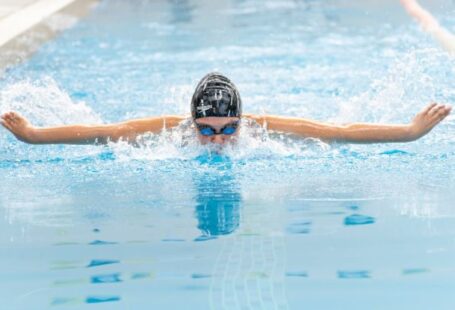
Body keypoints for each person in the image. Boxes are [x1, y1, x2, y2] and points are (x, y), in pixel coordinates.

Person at [0, 72, 452, 147]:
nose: (218, 140)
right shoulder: (168, 132)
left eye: (227, 128)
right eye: (208, 130)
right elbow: (102, 132)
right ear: (192, 120)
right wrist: (33, 135)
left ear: (242, 118)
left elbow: (340, 131)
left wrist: (411, 132)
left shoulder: (265, 130)